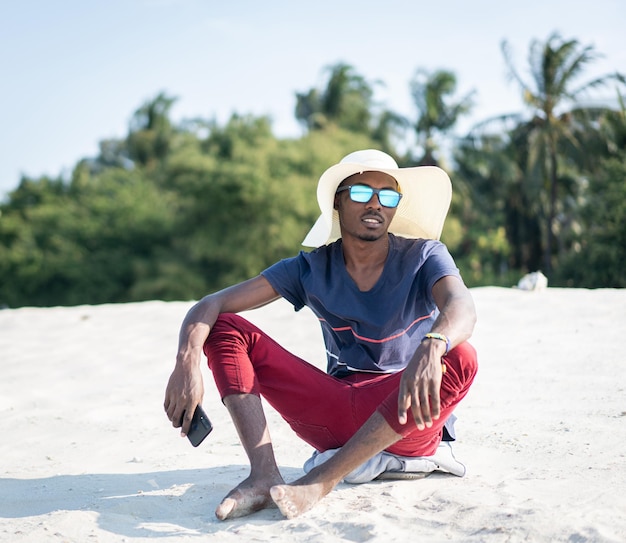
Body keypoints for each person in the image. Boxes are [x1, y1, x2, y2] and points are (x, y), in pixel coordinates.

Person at [164, 149, 478, 520]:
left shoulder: (425, 255)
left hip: (405, 414)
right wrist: (187, 363)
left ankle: (322, 479)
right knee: (226, 328)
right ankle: (263, 474)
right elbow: (211, 304)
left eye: (387, 196)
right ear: (337, 202)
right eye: (361, 193)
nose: (375, 204)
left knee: (461, 357)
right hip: (335, 411)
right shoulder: (310, 267)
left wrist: (433, 343)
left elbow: (461, 305)